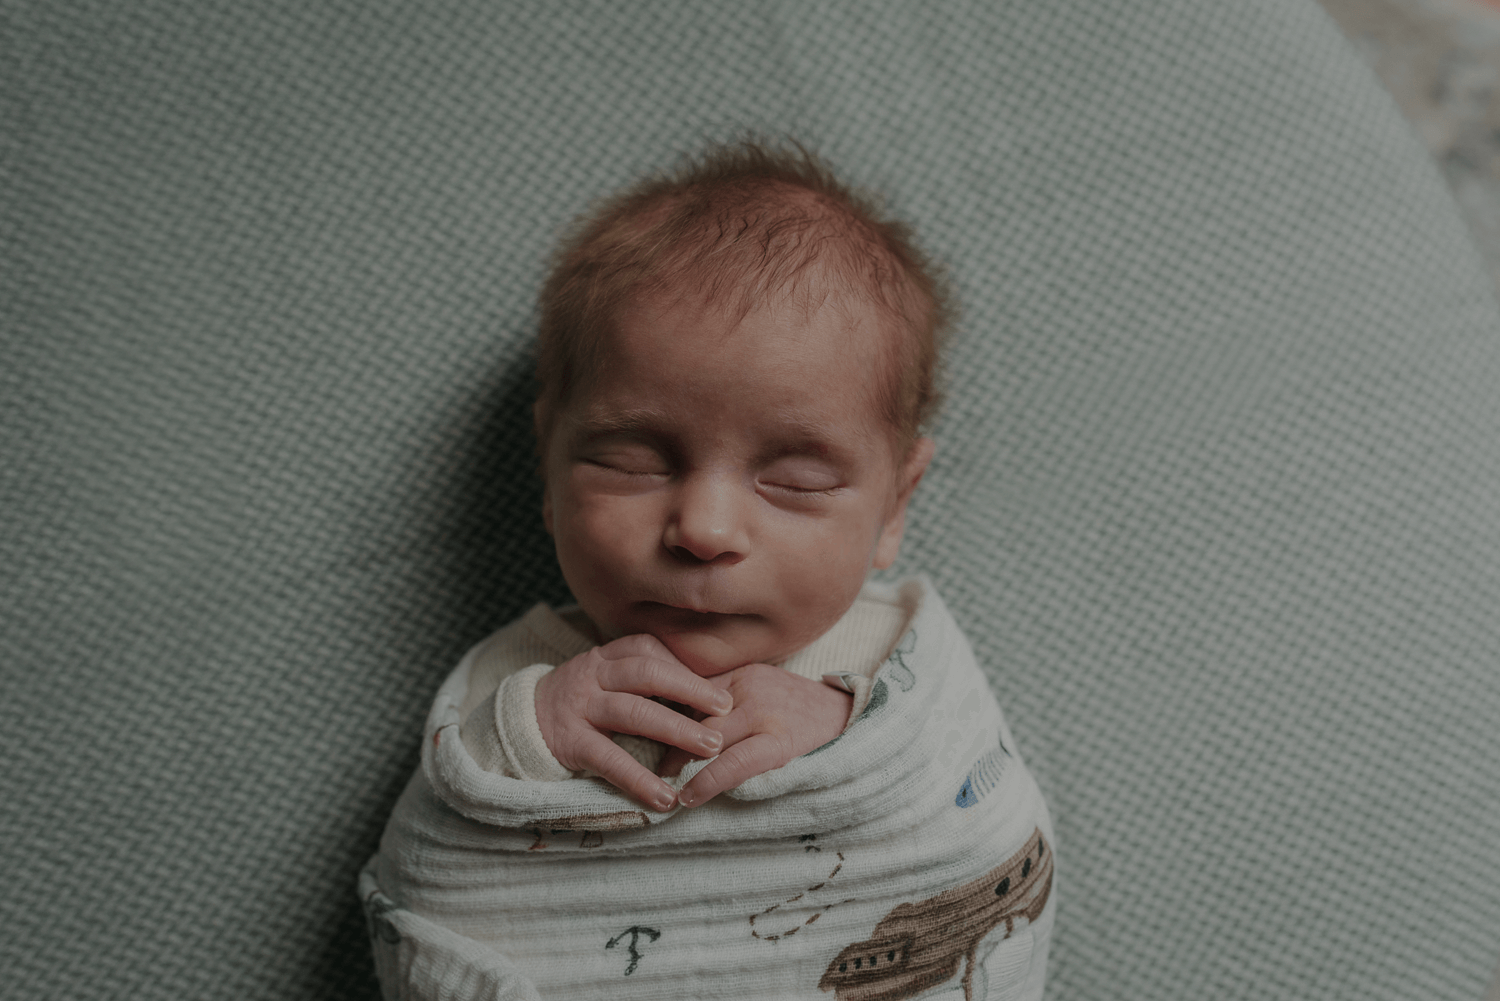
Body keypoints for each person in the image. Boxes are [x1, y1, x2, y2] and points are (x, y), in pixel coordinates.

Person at [362, 141, 1055, 1001]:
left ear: (895, 506)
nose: (704, 528)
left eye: (794, 480)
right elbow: (435, 858)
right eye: (631, 462)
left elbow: (974, 819)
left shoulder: (897, 661)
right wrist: (531, 731)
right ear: (548, 467)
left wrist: (848, 724)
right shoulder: (527, 675)